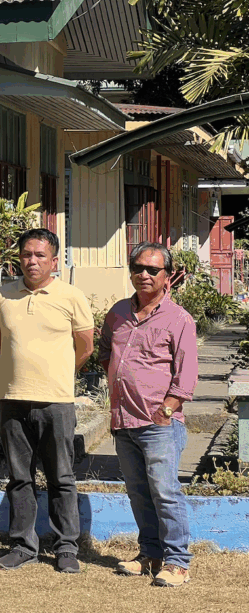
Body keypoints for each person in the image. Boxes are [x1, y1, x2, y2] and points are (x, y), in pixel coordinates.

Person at [0, 228, 94, 573]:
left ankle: (66, 548)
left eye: (40, 255)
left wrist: (58, 374)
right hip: (12, 399)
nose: (32, 261)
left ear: (54, 261)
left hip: (56, 403)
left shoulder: (71, 297)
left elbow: (85, 347)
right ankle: (23, 546)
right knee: (20, 478)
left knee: (61, 477)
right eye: (26, 254)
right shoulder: (1, 296)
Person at [99, 243, 198, 588]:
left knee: (165, 492)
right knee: (139, 493)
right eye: (138, 268)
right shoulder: (117, 313)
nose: (144, 274)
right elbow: (105, 351)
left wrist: (165, 411)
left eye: (153, 270)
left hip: (159, 424)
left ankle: (177, 562)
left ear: (167, 276)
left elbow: (186, 375)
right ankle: (150, 555)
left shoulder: (178, 319)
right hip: (123, 421)